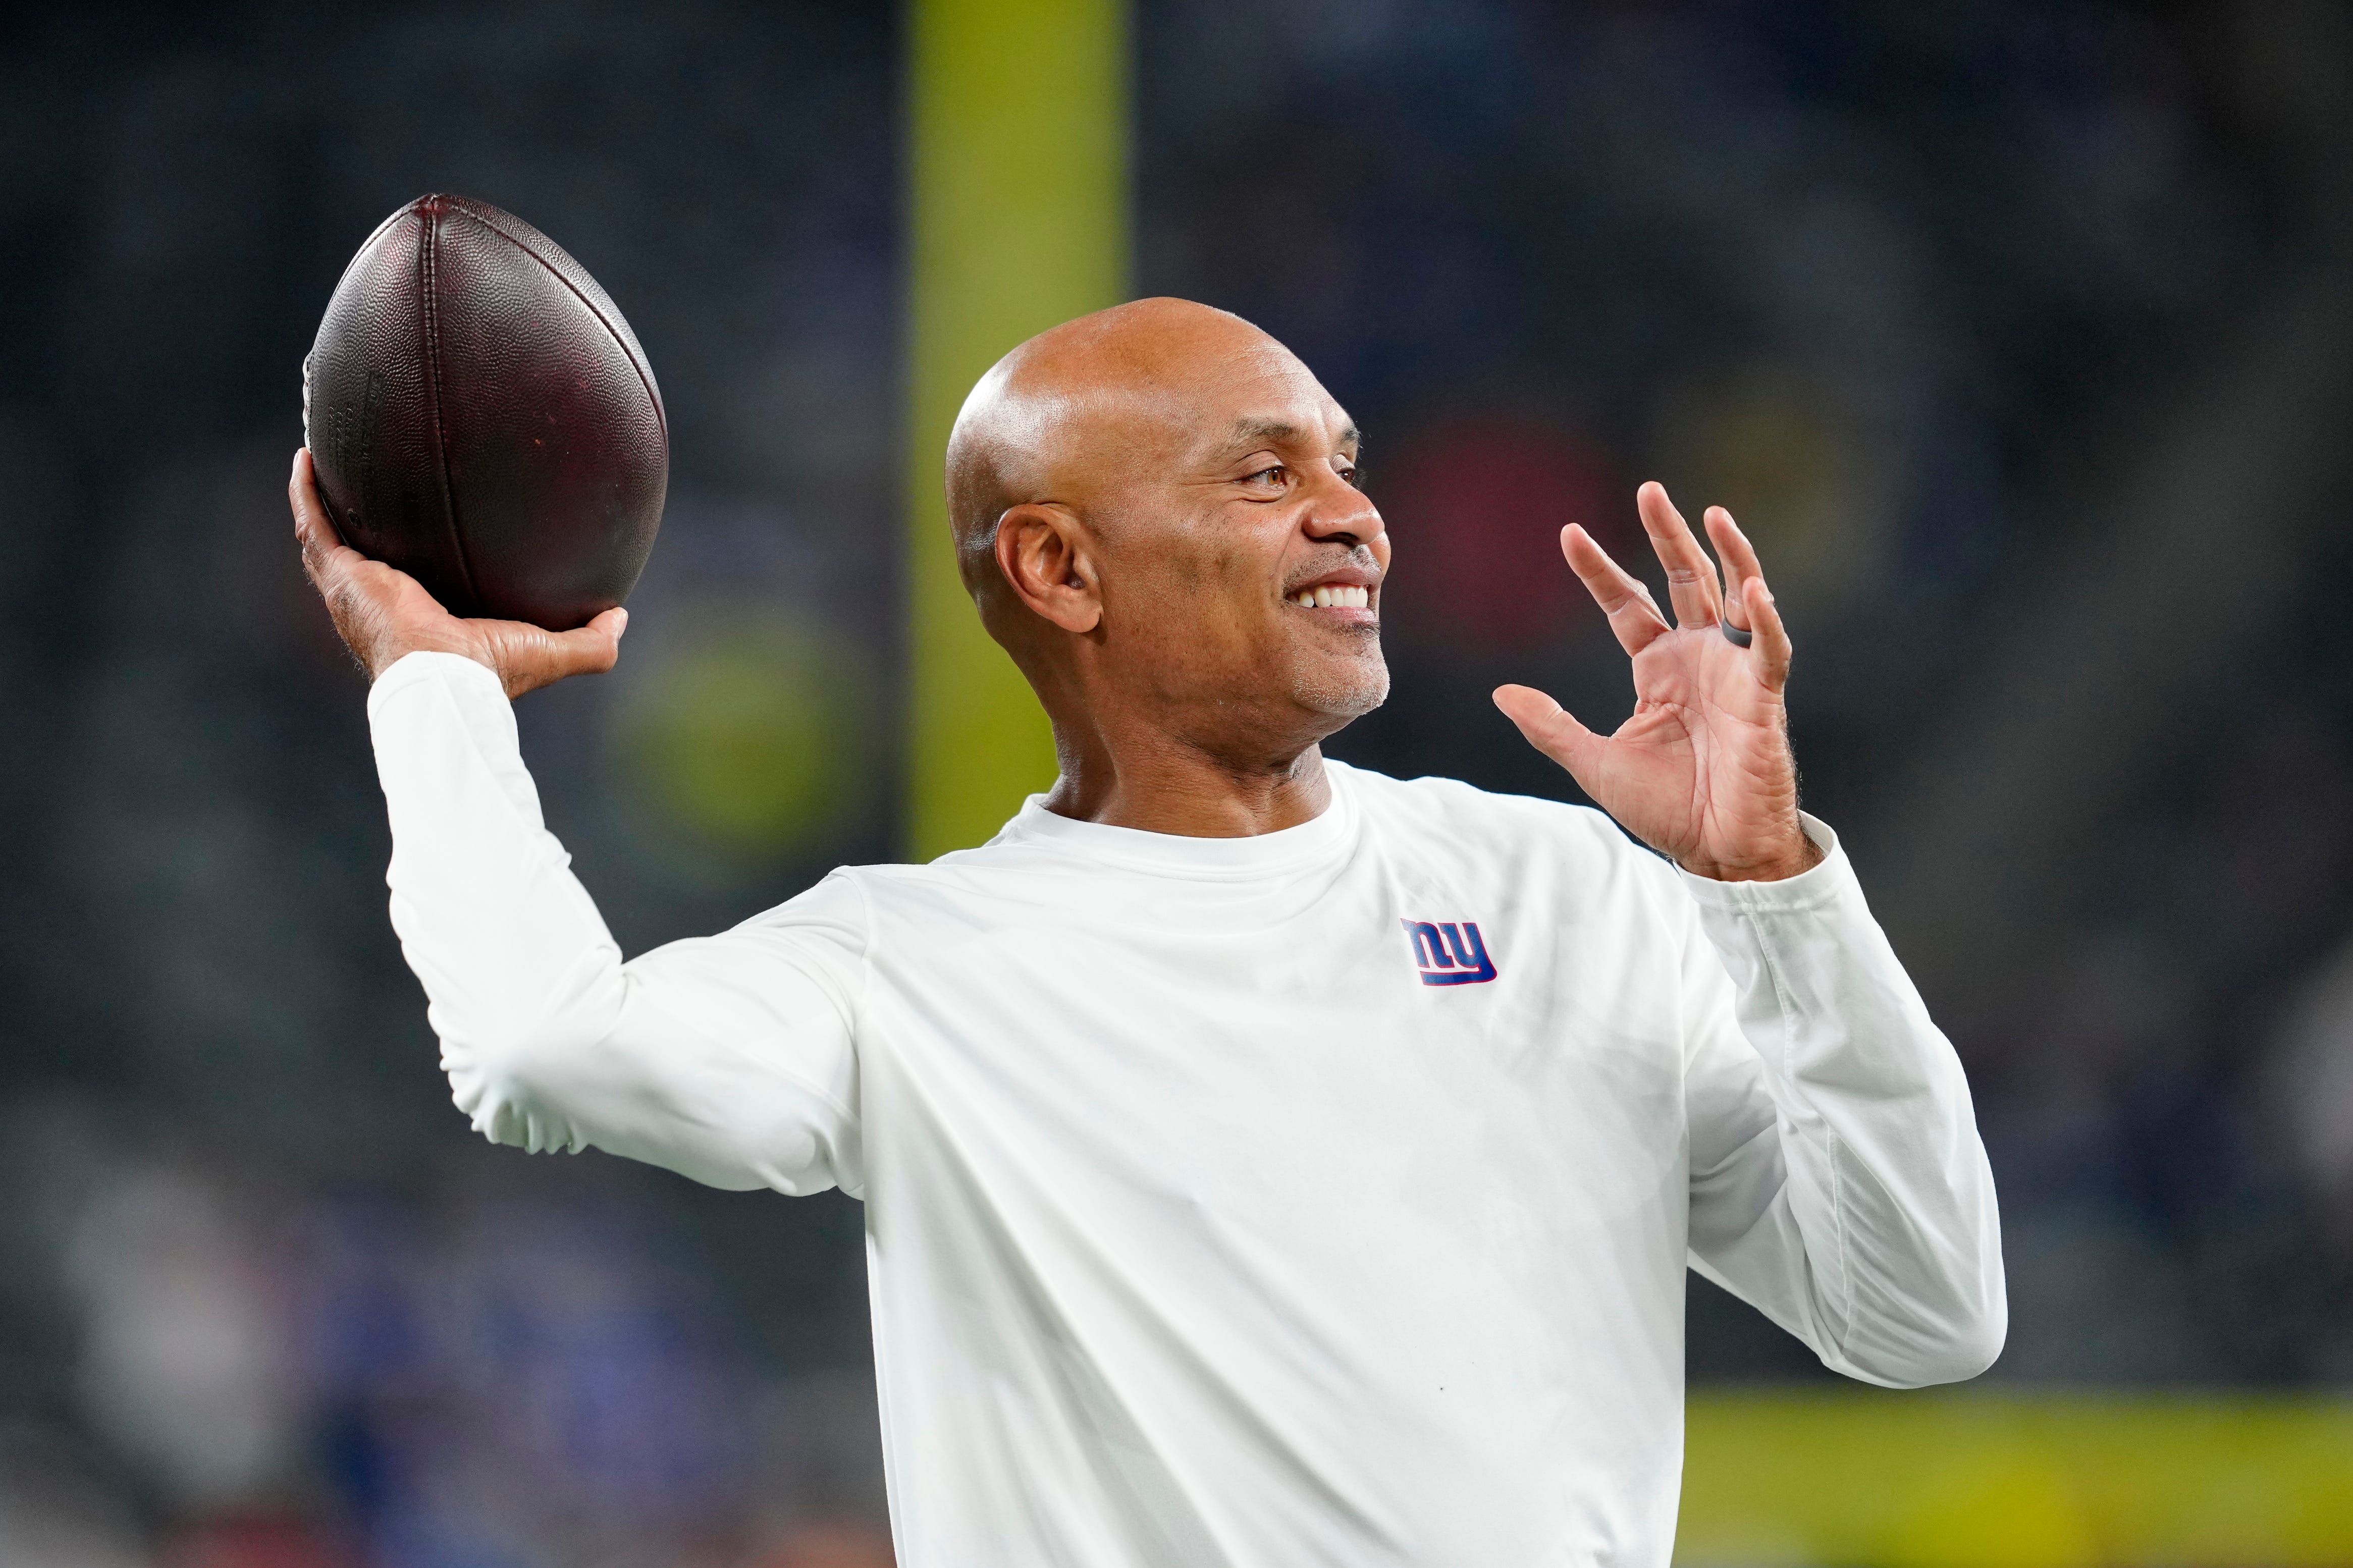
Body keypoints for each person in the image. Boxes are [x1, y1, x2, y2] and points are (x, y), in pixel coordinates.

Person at [293, 297, 2003, 1567]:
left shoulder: (1572, 889)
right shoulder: (913, 968)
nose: (1355, 513)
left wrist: (1776, 890)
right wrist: (438, 690)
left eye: (1344, 461)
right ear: (1057, 567)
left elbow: (1922, 1312)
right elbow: (535, 1049)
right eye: (1266, 472)